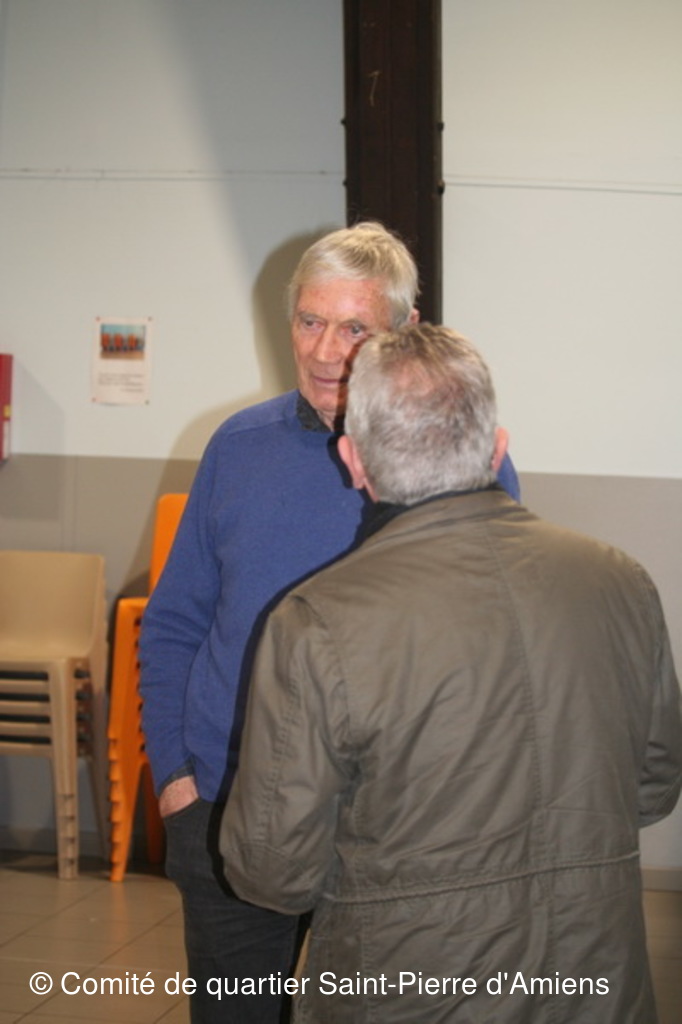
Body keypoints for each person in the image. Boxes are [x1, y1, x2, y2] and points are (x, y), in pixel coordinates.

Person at [220, 323, 682, 1023]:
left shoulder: (318, 620)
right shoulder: (622, 581)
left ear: (353, 459)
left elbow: (273, 871)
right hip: (597, 985)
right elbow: (653, 787)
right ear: (498, 447)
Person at [139, 223, 521, 1023]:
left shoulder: (456, 454)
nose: (323, 352)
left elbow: (494, 641)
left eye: (354, 328)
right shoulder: (238, 448)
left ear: (405, 330)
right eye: (309, 320)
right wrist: (176, 780)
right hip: (228, 808)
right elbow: (174, 623)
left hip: (391, 828)